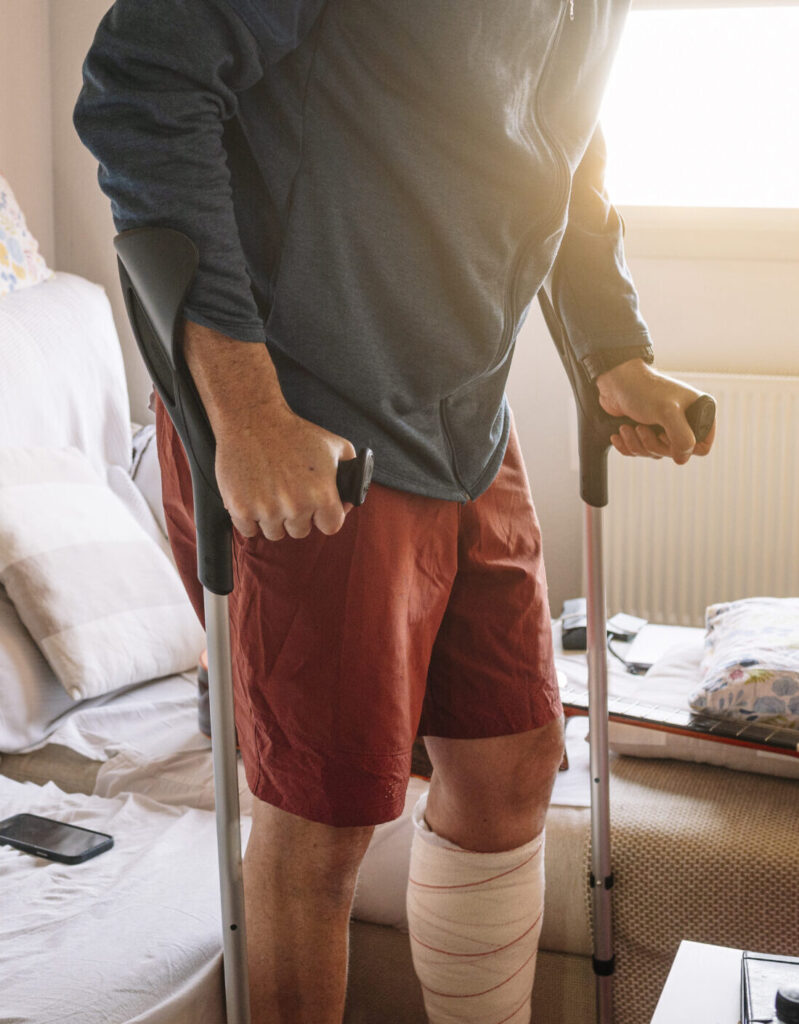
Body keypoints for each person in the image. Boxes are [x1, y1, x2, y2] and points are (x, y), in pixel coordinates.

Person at [75, 3, 715, 1022]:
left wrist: (613, 347)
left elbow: (562, 142)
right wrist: (245, 411)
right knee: (321, 819)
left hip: (465, 414)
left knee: (512, 767)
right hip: (309, 415)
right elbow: (140, 82)